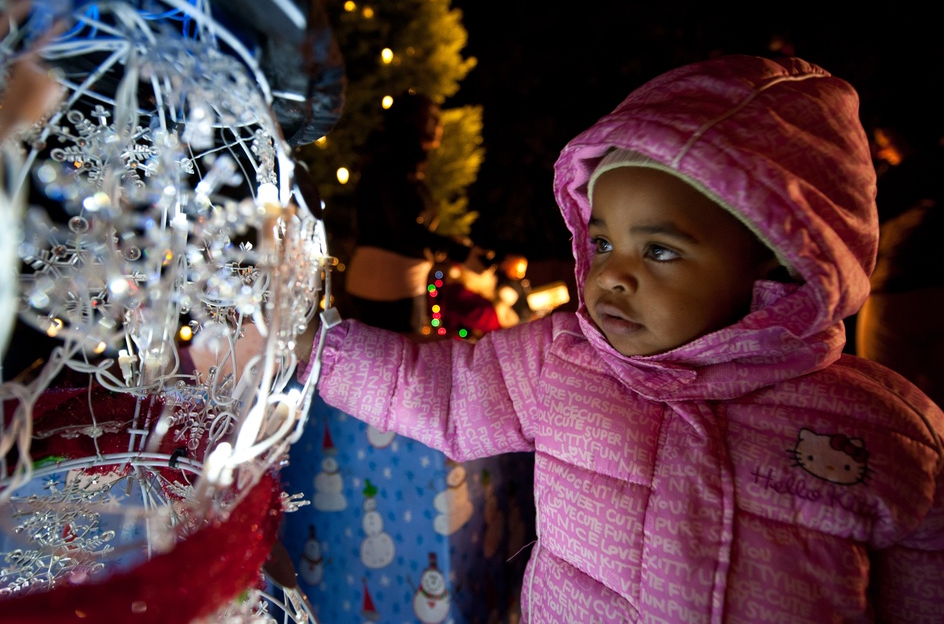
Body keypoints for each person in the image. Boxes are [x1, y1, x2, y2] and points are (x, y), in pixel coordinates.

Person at [295, 56, 944, 621]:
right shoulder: (561, 361)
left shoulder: (884, 430)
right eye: (602, 241)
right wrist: (314, 348)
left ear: (777, 262)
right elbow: (442, 390)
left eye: (659, 249)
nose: (612, 275)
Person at [344, 91, 487, 335]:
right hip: (391, 285)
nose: (440, 126)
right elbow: (402, 227)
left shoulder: (390, 163)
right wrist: (459, 251)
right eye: (434, 118)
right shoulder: (394, 165)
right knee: (399, 365)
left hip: (386, 281)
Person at [854, 117, 944, 406]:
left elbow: (864, 220)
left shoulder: (909, 177)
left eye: (883, 141)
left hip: (896, 293)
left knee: (887, 393)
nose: (880, 150)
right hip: (931, 294)